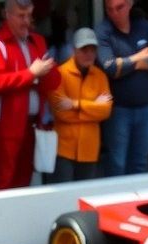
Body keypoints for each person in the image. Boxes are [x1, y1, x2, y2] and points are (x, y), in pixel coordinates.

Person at [0, 0, 61, 190]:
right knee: (4, 180)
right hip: (6, 127)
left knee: (24, 181)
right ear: (7, 14)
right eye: (21, 16)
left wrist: (39, 75)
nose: (26, 21)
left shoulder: (37, 40)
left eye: (29, 15)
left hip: (34, 124)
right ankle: (0, 220)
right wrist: (32, 74)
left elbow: (54, 81)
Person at [96, 0, 148, 177]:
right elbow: (111, 68)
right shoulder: (103, 31)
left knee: (140, 163)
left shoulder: (144, 26)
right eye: (109, 9)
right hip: (119, 110)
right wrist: (139, 57)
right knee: (117, 164)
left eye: (119, 7)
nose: (114, 13)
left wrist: (127, 64)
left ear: (129, 4)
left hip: (144, 108)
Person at [49, 27, 113, 182]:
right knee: (63, 197)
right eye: (84, 49)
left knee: (85, 197)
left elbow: (105, 111)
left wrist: (75, 105)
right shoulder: (60, 74)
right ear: (74, 50)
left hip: (89, 148)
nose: (89, 54)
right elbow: (61, 112)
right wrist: (92, 108)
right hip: (64, 149)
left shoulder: (100, 76)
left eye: (93, 49)